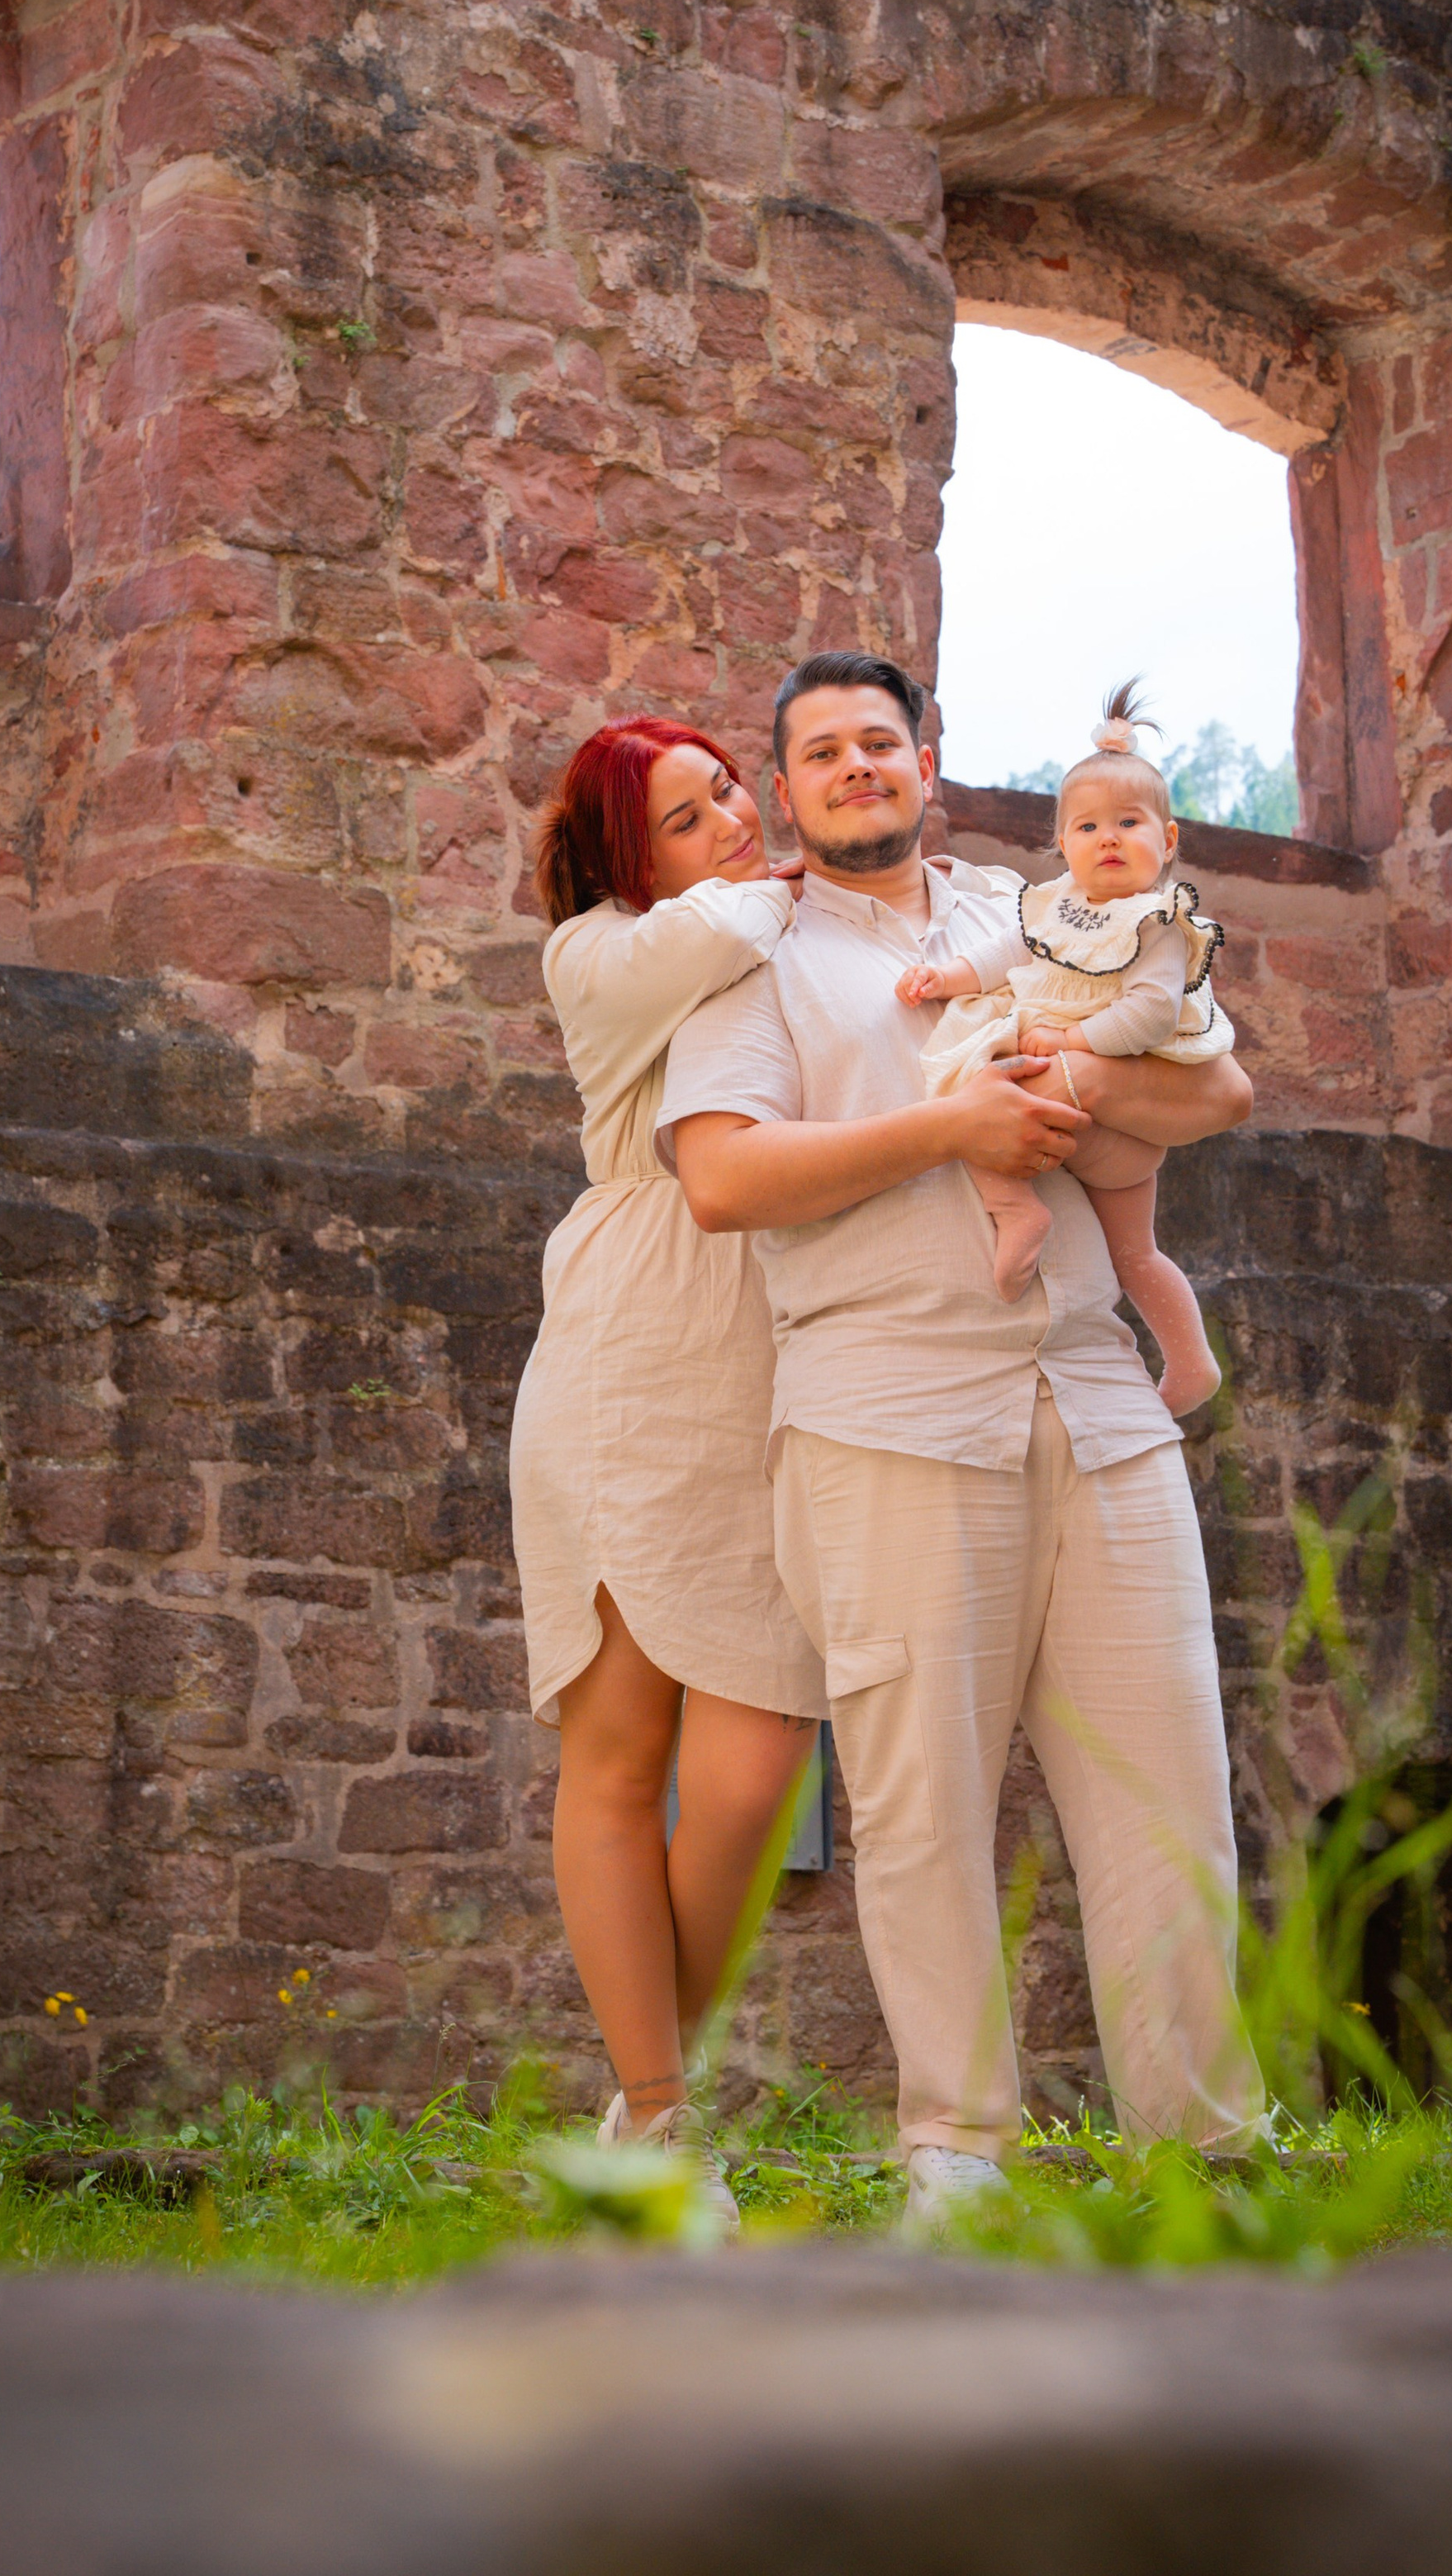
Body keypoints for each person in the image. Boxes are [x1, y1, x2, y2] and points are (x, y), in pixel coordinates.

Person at [659, 651, 1263, 2236]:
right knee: (923, 1808)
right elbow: (722, 1178)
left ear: (929, 758)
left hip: (1100, 1394)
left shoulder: (1041, 903)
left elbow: (1221, 1086)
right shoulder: (747, 952)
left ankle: (1206, 2159)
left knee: (1173, 1791)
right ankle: (959, 2157)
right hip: (888, 1406)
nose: (858, 765)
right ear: (781, 788)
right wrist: (955, 1127)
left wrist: (1070, 1072)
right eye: (821, 752)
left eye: (883, 739)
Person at [508, 717, 825, 2227]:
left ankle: (647, 2090)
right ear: (632, 858)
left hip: (793, 1349)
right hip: (638, 1345)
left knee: (757, 1770)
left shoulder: (774, 940)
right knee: (623, 1754)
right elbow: (726, 915)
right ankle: (657, 2103)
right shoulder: (603, 950)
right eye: (688, 815)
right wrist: (816, 874)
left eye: (731, 792)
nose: (735, 824)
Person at [899, 681, 1231, 1416]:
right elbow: (1001, 955)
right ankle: (1187, 1358)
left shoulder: (1158, 924)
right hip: (1085, 1117)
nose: (1106, 838)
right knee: (1130, 1251)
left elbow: (1147, 1016)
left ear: (1168, 840)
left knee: (973, 1079)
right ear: (1062, 844)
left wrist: (1071, 1039)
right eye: (1085, 827)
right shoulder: (1053, 906)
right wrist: (944, 975)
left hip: (1115, 1117)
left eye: (1128, 822)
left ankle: (1017, 1207)